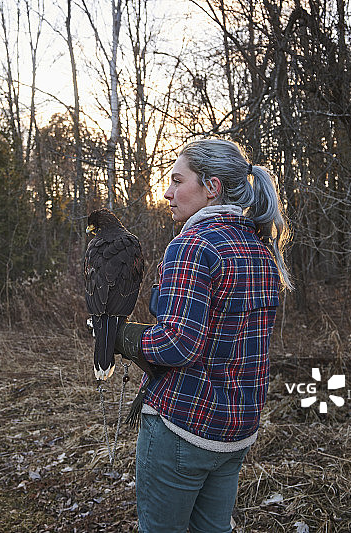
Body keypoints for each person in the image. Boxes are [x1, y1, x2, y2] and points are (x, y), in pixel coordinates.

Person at [115, 138, 292, 533]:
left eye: (178, 180)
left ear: (211, 187)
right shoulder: (258, 247)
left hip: (183, 426)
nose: (167, 192)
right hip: (236, 431)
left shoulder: (192, 245)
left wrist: (121, 337)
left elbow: (177, 344)